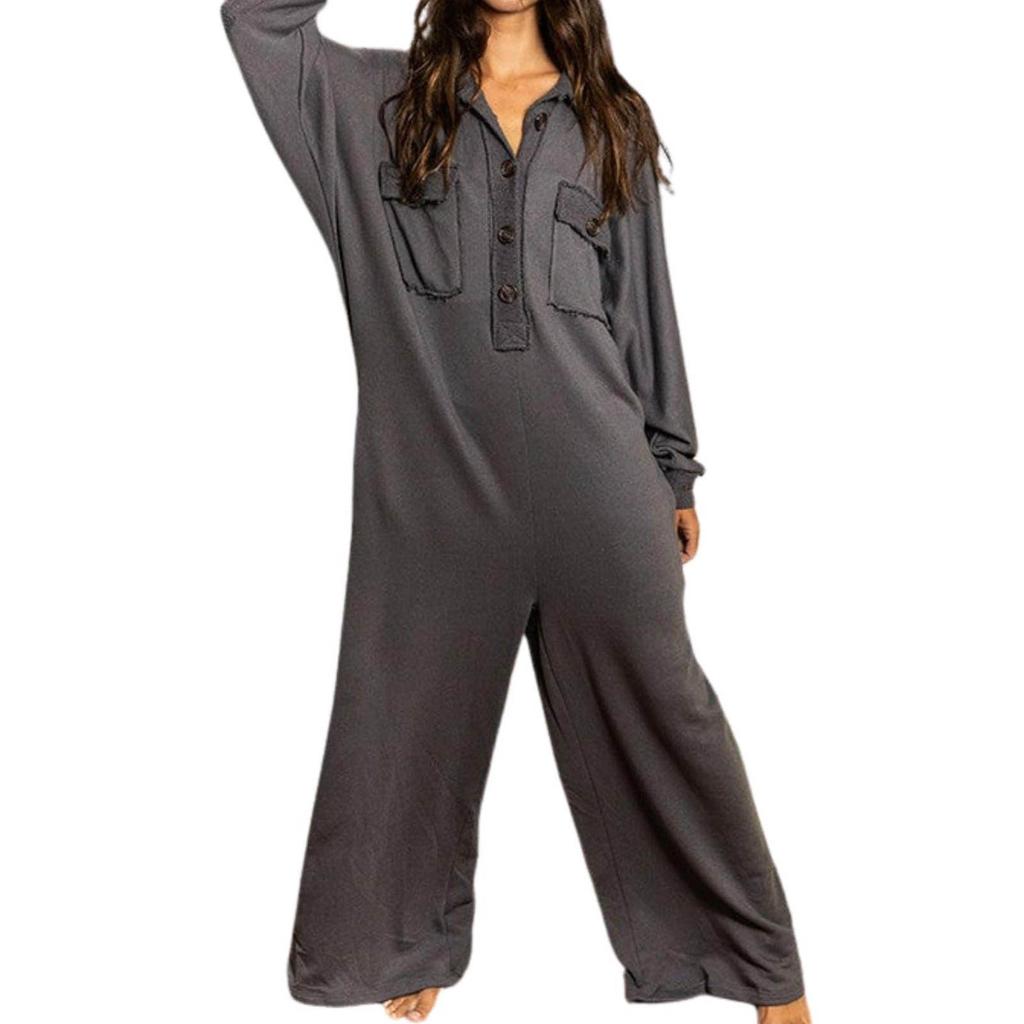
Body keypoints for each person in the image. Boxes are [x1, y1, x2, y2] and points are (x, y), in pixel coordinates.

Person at [221, 1, 810, 1021]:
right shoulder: (374, 104)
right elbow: (255, 24)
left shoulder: (609, 119)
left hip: (600, 487)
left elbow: (644, 309)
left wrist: (671, 467)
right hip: (434, 496)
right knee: (401, 717)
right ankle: (402, 939)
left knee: (671, 721)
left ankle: (762, 971)